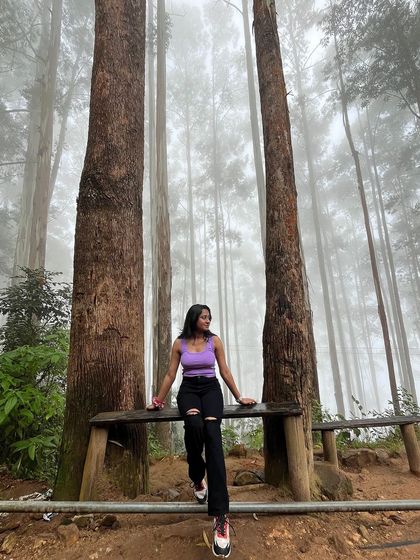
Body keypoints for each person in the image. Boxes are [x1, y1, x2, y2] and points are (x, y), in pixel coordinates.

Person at [147, 304, 256, 558]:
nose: (208, 320)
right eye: (204, 317)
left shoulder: (214, 341)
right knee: (194, 427)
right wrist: (158, 400)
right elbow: (171, 374)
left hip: (210, 389)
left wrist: (239, 396)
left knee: (213, 438)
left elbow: (225, 370)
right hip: (189, 390)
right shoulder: (179, 343)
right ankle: (197, 476)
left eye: (209, 317)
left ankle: (220, 515)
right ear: (193, 318)